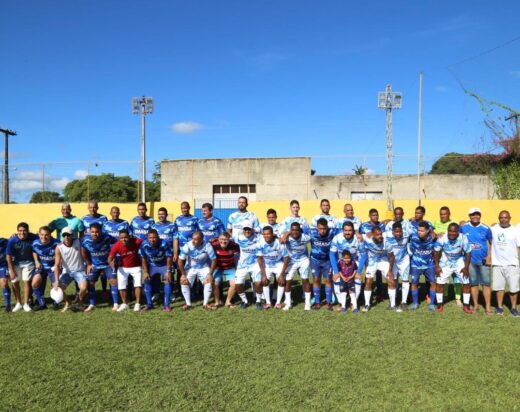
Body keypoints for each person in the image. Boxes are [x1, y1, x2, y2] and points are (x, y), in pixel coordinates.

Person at [433, 223, 472, 313]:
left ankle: (466, 306)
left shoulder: (463, 238)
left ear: (458, 232)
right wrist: (437, 266)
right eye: (450, 231)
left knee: (466, 283)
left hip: (459, 261)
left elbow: (468, 253)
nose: (452, 233)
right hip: (446, 261)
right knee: (439, 283)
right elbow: (435, 251)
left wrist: (466, 267)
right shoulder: (443, 238)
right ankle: (439, 305)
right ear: (448, 231)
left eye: (454, 231)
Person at [460, 207, 493, 314]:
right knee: (473, 284)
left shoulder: (486, 228)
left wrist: (489, 257)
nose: (475, 216)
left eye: (477, 214)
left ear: (480, 215)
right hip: (469, 262)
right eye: (473, 214)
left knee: (486, 284)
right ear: (469, 216)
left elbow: (492, 243)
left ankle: (487, 307)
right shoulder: (464, 228)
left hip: (483, 261)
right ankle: (475, 305)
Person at [81, 223, 116, 312]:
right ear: (89, 232)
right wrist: (88, 264)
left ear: (100, 232)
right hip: (94, 265)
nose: (94, 234)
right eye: (92, 232)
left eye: (97, 232)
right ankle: (92, 304)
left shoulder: (107, 237)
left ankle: (115, 303)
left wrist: (112, 257)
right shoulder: (85, 240)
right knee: (90, 282)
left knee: (113, 281)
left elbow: (116, 244)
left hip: (107, 264)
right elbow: (83, 251)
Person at [177, 231, 217, 310]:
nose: (193, 241)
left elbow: (214, 260)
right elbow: (180, 261)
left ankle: (205, 304)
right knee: (184, 281)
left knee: (208, 281)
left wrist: (210, 274)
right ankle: (188, 304)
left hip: (203, 267)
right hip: (190, 267)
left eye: (196, 239)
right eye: (193, 239)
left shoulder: (207, 245)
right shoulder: (188, 245)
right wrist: (183, 274)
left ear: (201, 239)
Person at [490, 210, 519, 316]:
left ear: (510, 218)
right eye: (501, 217)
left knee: (513, 288)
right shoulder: (493, 229)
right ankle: (500, 307)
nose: (503, 219)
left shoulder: (515, 231)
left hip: (512, 264)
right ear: (498, 218)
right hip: (497, 264)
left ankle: (514, 308)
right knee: (499, 288)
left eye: (506, 217)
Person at [53, 227, 88, 312]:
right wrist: (56, 281)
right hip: (67, 272)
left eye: (68, 235)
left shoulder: (78, 242)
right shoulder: (59, 247)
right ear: (62, 236)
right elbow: (57, 265)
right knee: (58, 288)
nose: (66, 237)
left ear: (72, 235)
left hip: (79, 271)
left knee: (83, 288)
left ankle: (80, 302)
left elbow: (88, 236)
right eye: (64, 235)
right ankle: (67, 302)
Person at [330, 222, 365, 306]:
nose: (347, 232)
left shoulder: (358, 239)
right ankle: (341, 302)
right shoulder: (337, 238)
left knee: (357, 279)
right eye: (345, 230)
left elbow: (363, 254)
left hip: (353, 262)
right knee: (337, 278)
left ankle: (353, 303)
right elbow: (332, 254)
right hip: (341, 262)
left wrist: (358, 272)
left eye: (350, 230)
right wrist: (336, 271)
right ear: (342, 230)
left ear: (353, 231)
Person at [108, 229, 143, 312]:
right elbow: (110, 258)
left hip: (136, 266)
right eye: (121, 238)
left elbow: (145, 242)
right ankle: (125, 303)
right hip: (122, 267)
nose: (123, 239)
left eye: (125, 237)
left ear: (129, 237)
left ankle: (137, 303)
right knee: (121, 286)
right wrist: (111, 263)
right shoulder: (116, 245)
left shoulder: (137, 241)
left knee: (137, 285)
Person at [6, 222, 38, 312]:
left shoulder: (34, 237)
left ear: (28, 231)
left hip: (29, 263)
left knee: (26, 282)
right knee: (15, 282)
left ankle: (26, 304)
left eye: (24, 231)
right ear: (17, 231)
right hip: (15, 264)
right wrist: (11, 271)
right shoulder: (12, 240)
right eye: (20, 231)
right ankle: (18, 303)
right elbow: (8, 256)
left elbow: (42, 237)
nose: (22, 233)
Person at [256, 226, 290, 310]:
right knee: (265, 281)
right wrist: (263, 275)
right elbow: (259, 259)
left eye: (268, 234)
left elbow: (286, 258)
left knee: (281, 281)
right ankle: (268, 303)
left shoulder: (279, 243)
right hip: (267, 265)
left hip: (278, 263)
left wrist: (282, 274)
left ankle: (278, 303)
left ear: (272, 234)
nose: (266, 235)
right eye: (264, 234)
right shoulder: (260, 243)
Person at [140, 229, 173, 312]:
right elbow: (143, 258)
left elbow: (169, 257)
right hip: (152, 265)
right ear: (147, 238)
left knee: (167, 281)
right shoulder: (144, 244)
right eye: (150, 238)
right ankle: (149, 304)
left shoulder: (164, 243)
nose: (152, 239)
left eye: (154, 237)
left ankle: (166, 305)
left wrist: (168, 271)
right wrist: (146, 271)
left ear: (158, 237)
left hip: (163, 265)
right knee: (146, 280)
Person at [432, 206, 460, 304]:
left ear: (449, 214)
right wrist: (435, 234)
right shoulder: (435, 223)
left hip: (454, 256)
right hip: (441, 256)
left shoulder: (454, 224)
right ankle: (445, 295)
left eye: (445, 214)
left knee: (456, 277)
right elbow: (429, 229)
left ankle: (458, 298)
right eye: (441, 214)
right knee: (444, 278)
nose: (443, 216)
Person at [281, 222, 312, 310]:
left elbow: (313, 239)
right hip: (291, 261)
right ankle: (288, 303)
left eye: (297, 230)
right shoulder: (288, 238)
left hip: (303, 260)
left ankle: (307, 303)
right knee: (288, 280)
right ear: (290, 231)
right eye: (293, 230)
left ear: (300, 231)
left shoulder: (305, 237)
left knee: (305, 279)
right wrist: (287, 234)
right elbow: (281, 241)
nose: (295, 232)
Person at [408, 221, 437, 311]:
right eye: (418, 230)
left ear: (428, 231)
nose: (419, 232)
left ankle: (432, 304)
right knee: (414, 283)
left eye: (422, 231)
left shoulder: (433, 238)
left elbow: (436, 250)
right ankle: (415, 303)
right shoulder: (413, 237)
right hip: (415, 265)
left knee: (433, 283)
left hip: (429, 265)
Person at [359, 209, 386, 303]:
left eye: (377, 215)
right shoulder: (363, 226)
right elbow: (359, 235)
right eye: (373, 215)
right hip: (368, 254)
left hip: (380, 254)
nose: (375, 217)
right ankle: (366, 295)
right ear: (369, 216)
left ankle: (379, 293)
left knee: (379, 274)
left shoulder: (382, 225)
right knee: (368, 274)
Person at [31, 226, 60, 310]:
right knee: (34, 283)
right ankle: (42, 303)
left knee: (56, 284)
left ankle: (56, 302)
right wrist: (36, 261)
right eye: (42, 235)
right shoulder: (35, 243)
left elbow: (62, 255)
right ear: (39, 235)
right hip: (42, 267)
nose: (44, 237)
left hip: (53, 268)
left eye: (46, 235)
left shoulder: (57, 243)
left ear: (50, 235)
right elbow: (34, 251)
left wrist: (57, 265)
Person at [310, 218, 336, 310]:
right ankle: (317, 303)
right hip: (314, 260)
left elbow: (345, 230)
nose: (322, 231)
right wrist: (286, 233)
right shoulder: (311, 232)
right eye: (320, 228)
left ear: (327, 227)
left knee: (327, 280)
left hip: (327, 261)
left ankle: (329, 303)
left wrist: (357, 233)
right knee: (316, 280)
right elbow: (297, 230)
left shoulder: (332, 232)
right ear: (317, 227)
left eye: (324, 228)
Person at [234, 222, 261, 309]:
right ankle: (244, 301)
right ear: (243, 230)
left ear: (252, 229)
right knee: (238, 284)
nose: (247, 231)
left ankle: (259, 301)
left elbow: (269, 236)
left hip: (255, 264)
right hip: (242, 265)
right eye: (245, 229)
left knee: (258, 282)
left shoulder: (258, 237)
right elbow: (226, 238)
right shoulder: (238, 237)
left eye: (249, 229)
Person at [386, 222, 411, 312]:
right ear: (392, 231)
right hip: (392, 261)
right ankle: (393, 303)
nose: (398, 234)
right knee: (393, 280)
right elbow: (375, 234)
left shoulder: (407, 233)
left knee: (405, 280)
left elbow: (418, 231)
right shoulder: (386, 235)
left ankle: (404, 302)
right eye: (396, 232)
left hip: (404, 260)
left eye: (400, 231)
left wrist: (432, 231)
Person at [211, 232, 240, 308]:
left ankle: (228, 302)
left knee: (234, 284)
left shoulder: (234, 245)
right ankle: (217, 302)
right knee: (215, 284)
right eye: (221, 239)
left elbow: (239, 256)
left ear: (229, 240)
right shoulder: (213, 245)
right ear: (218, 239)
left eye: (225, 239)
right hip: (218, 268)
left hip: (230, 268)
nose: (223, 241)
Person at [0, 237, 10, 312]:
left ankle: (8, 305)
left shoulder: (4, 241)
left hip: (3, 266)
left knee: (4, 283)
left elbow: (15, 240)